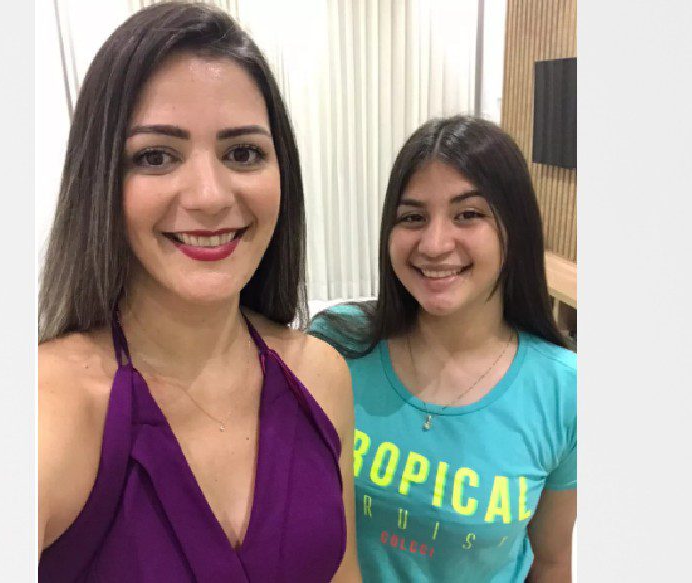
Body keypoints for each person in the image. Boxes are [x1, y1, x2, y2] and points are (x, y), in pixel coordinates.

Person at [37, 4, 360, 582]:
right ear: (100, 180)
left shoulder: (320, 375)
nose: (210, 196)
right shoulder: (48, 410)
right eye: (156, 156)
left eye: (243, 153)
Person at [309, 116, 576, 582]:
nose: (434, 245)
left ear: (515, 228)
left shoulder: (564, 389)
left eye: (468, 214)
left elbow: (551, 562)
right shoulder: (336, 346)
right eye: (412, 217)